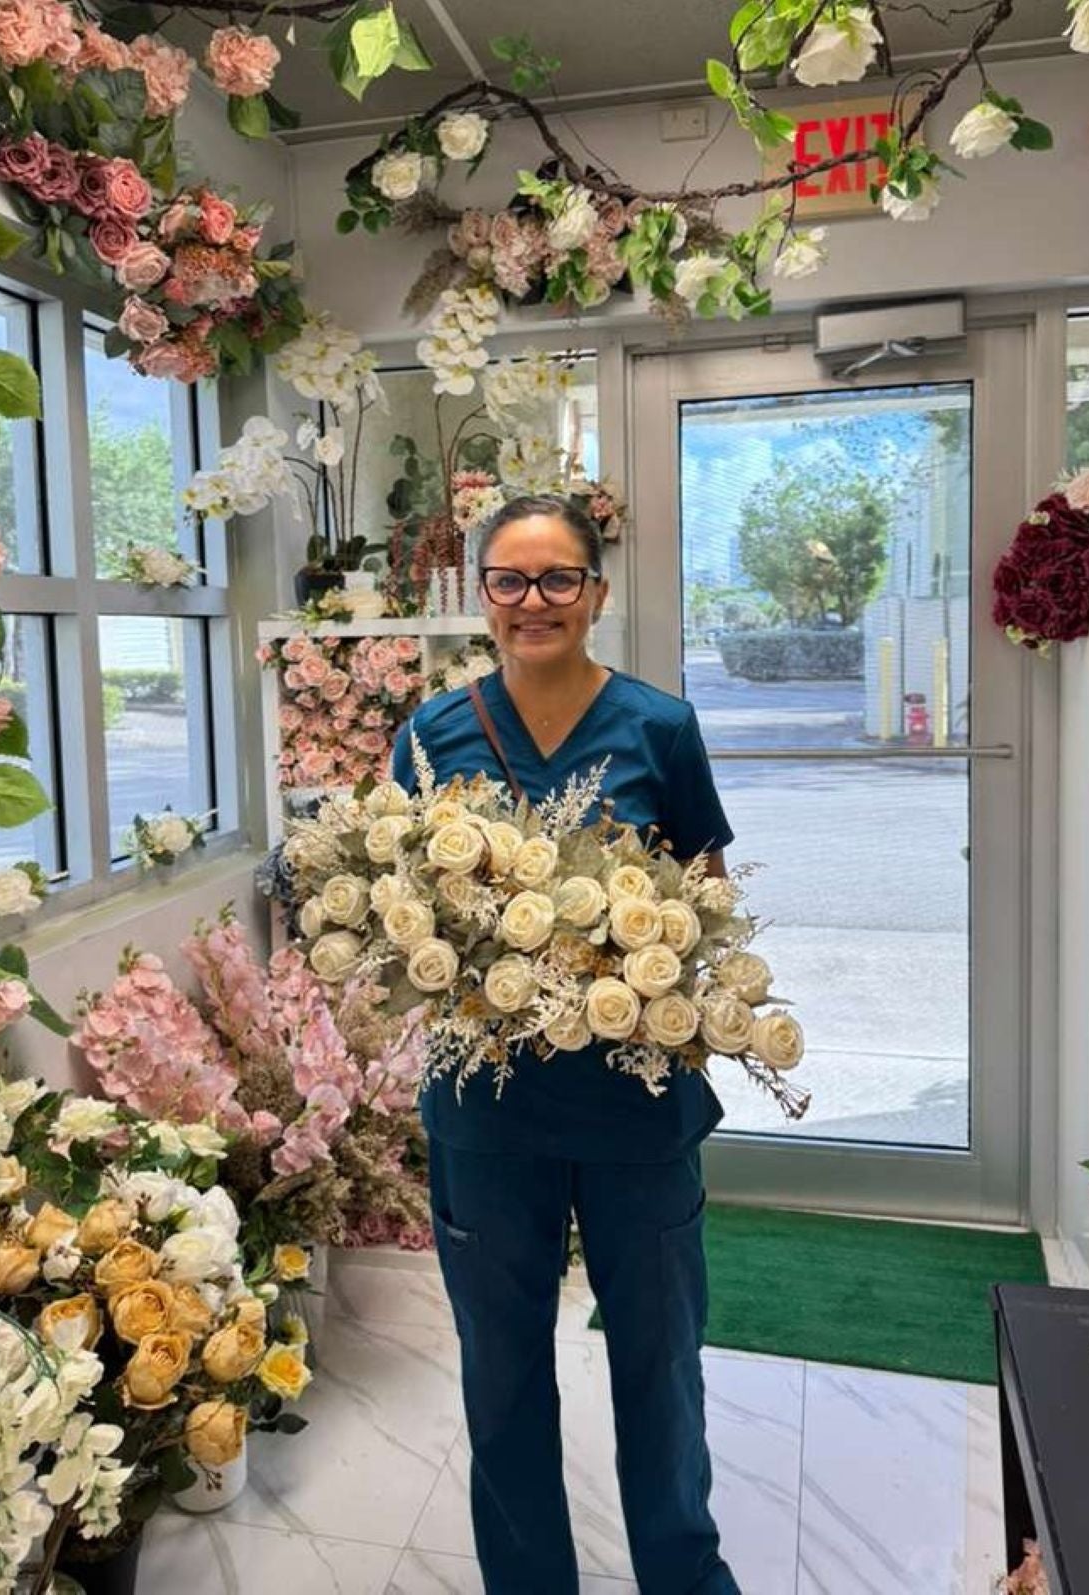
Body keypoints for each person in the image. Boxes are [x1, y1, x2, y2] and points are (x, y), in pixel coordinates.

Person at [390, 494, 740, 1595]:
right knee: (500, 1374)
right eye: (508, 578)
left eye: (555, 579)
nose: (532, 601)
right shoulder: (432, 731)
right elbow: (396, 902)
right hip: (487, 1118)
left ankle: (683, 1574)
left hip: (636, 1112)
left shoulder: (658, 727)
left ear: (594, 592)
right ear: (479, 594)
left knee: (658, 1367)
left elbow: (708, 900)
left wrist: (645, 975)